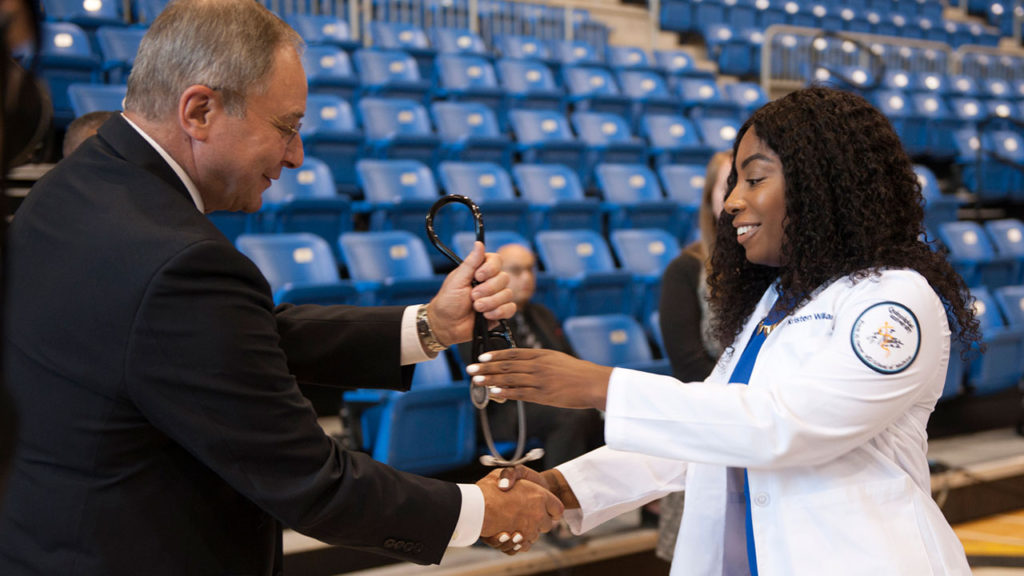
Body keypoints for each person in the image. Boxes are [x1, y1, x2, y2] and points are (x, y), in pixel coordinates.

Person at [0, 1, 561, 574]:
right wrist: (480, 510)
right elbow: (311, 481)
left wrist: (431, 326)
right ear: (199, 110)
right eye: (286, 127)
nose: (295, 155)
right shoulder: (178, 262)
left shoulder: (73, 184)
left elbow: (222, 343)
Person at [469, 86, 982, 574]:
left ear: (819, 184)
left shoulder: (892, 300)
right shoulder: (774, 303)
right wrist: (563, 487)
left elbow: (783, 427)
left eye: (754, 179)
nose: (731, 201)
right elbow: (703, 433)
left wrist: (600, 385)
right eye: (733, 182)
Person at [458, 242, 603, 470]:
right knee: (570, 414)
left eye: (530, 269)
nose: (526, 277)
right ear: (495, 275)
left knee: (602, 404)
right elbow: (493, 374)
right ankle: (562, 494)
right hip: (507, 409)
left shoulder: (541, 314)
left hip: (551, 397)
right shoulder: (479, 319)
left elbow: (570, 360)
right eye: (516, 270)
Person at [654, 150, 731, 561]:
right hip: (708, 428)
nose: (739, 196)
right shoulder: (685, 269)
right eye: (729, 184)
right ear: (711, 199)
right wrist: (745, 404)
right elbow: (687, 361)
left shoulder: (782, 270)